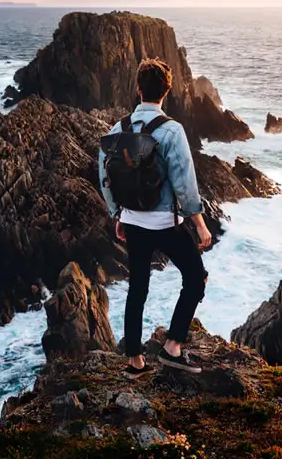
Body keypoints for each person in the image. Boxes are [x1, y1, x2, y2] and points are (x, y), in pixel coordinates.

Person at [98, 58, 212, 378]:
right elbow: (184, 184)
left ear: (137, 89)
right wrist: (200, 225)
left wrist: (117, 214)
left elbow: (105, 178)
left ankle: (135, 361)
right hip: (165, 224)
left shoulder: (117, 129)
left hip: (133, 222)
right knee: (195, 278)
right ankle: (173, 347)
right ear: (167, 92)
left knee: (138, 289)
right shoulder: (172, 131)